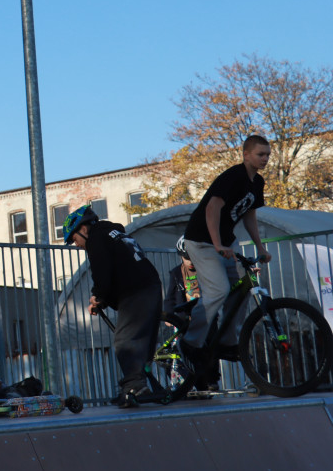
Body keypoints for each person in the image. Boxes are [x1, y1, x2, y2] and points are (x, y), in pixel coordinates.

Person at [179, 135, 272, 387]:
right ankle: (190, 342)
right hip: (202, 240)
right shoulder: (233, 176)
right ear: (246, 155)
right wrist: (217, 243)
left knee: (240, 291)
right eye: (260, 154)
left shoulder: (257, 183)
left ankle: (227, 342)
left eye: (267, 155)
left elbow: (249, 214)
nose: (265, 159)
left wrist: (260, 246)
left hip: (225, 242)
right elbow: (212, 209)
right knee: (218, 290)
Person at [63, 205, 162, 408]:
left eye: (74, 239)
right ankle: (135, 386)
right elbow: (119, 267)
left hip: (136, 291)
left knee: (124, 341)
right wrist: (103, 298)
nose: (77, 245)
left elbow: (102, 272)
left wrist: (97, 297)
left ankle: (136, 387)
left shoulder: (96, 239)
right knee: (141, 343)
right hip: (150, 285)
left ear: (83, 229)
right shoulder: (114, 234)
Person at [164, 236, 202, 325]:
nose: (190, 262)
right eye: (187, 259)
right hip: (183, 318)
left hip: (205, 315)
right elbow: (170, 297)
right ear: (181, 256)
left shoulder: (204, 270)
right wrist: (168, 316)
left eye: (193, 258)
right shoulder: (176, 273)